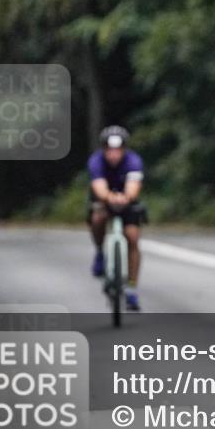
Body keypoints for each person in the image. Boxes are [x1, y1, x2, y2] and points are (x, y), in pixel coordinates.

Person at [87, 125, 145, 311]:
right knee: (97, 218)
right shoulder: (96, 161)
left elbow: (134, 185)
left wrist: (126, 197)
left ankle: (132, 288)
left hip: (126, 201)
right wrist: (108, 197)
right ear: (104, 149)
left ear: (124, 149)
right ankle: (99, 252)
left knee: (133, 238)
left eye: (117, 150)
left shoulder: (133, 161)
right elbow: (99, 186)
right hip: (105, 200)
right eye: (109, 150)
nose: (113, 155)